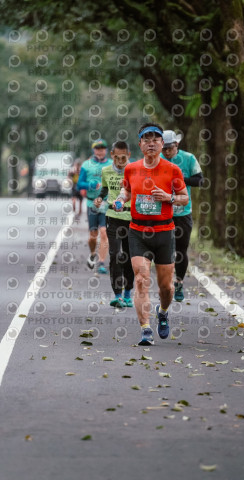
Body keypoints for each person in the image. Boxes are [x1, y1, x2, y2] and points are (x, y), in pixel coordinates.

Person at [113, 123, 189, 346]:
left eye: (155, 139)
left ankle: (163, 312)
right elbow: (126, 190)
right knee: (141, 279)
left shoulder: (172, 170)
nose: (151, 143)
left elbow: (184, 197)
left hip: (164, 231)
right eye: (146, 139)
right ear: (140, 145)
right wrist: (120, 199)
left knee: (167, 287)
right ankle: (145, 329)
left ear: (161, 143)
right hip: (138, 231)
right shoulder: (131, 168)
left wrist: (169, 198)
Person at [161, 130, 203, 302]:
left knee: (181, 250)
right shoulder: (158, 160)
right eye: (163, 149)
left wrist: (179, 179)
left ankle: (179, 282)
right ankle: (165, 284)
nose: (166, 152)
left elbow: (200, 180)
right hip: (163, 212)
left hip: (183, 212)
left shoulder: (188, 158)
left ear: (176, 145)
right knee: (164, 249)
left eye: (169, 148)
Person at [94, 141, 134, 308]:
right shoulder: (106, 170)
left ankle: (128, 293)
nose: (119, 161)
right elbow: (104, 188)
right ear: (112, 155)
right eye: (116, 157)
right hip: (113, 217)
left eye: (123, 158)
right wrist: (99, 198)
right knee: (116, 256)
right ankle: (117, 295)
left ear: (128, 156)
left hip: (132, 218)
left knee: (130, 257)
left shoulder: (135, 170)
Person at [77, 139, 111, 274]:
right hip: (92, 203)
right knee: (93, 235)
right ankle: (92, 253)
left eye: (102, 148)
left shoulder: (111, 164)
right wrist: (90, 185)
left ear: (106, 150)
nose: (100, 151)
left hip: (106, 204)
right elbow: (79, 184)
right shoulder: (86, 165)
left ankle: (101, 262)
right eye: (97, 148)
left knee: (104, 233)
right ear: (94, 150)